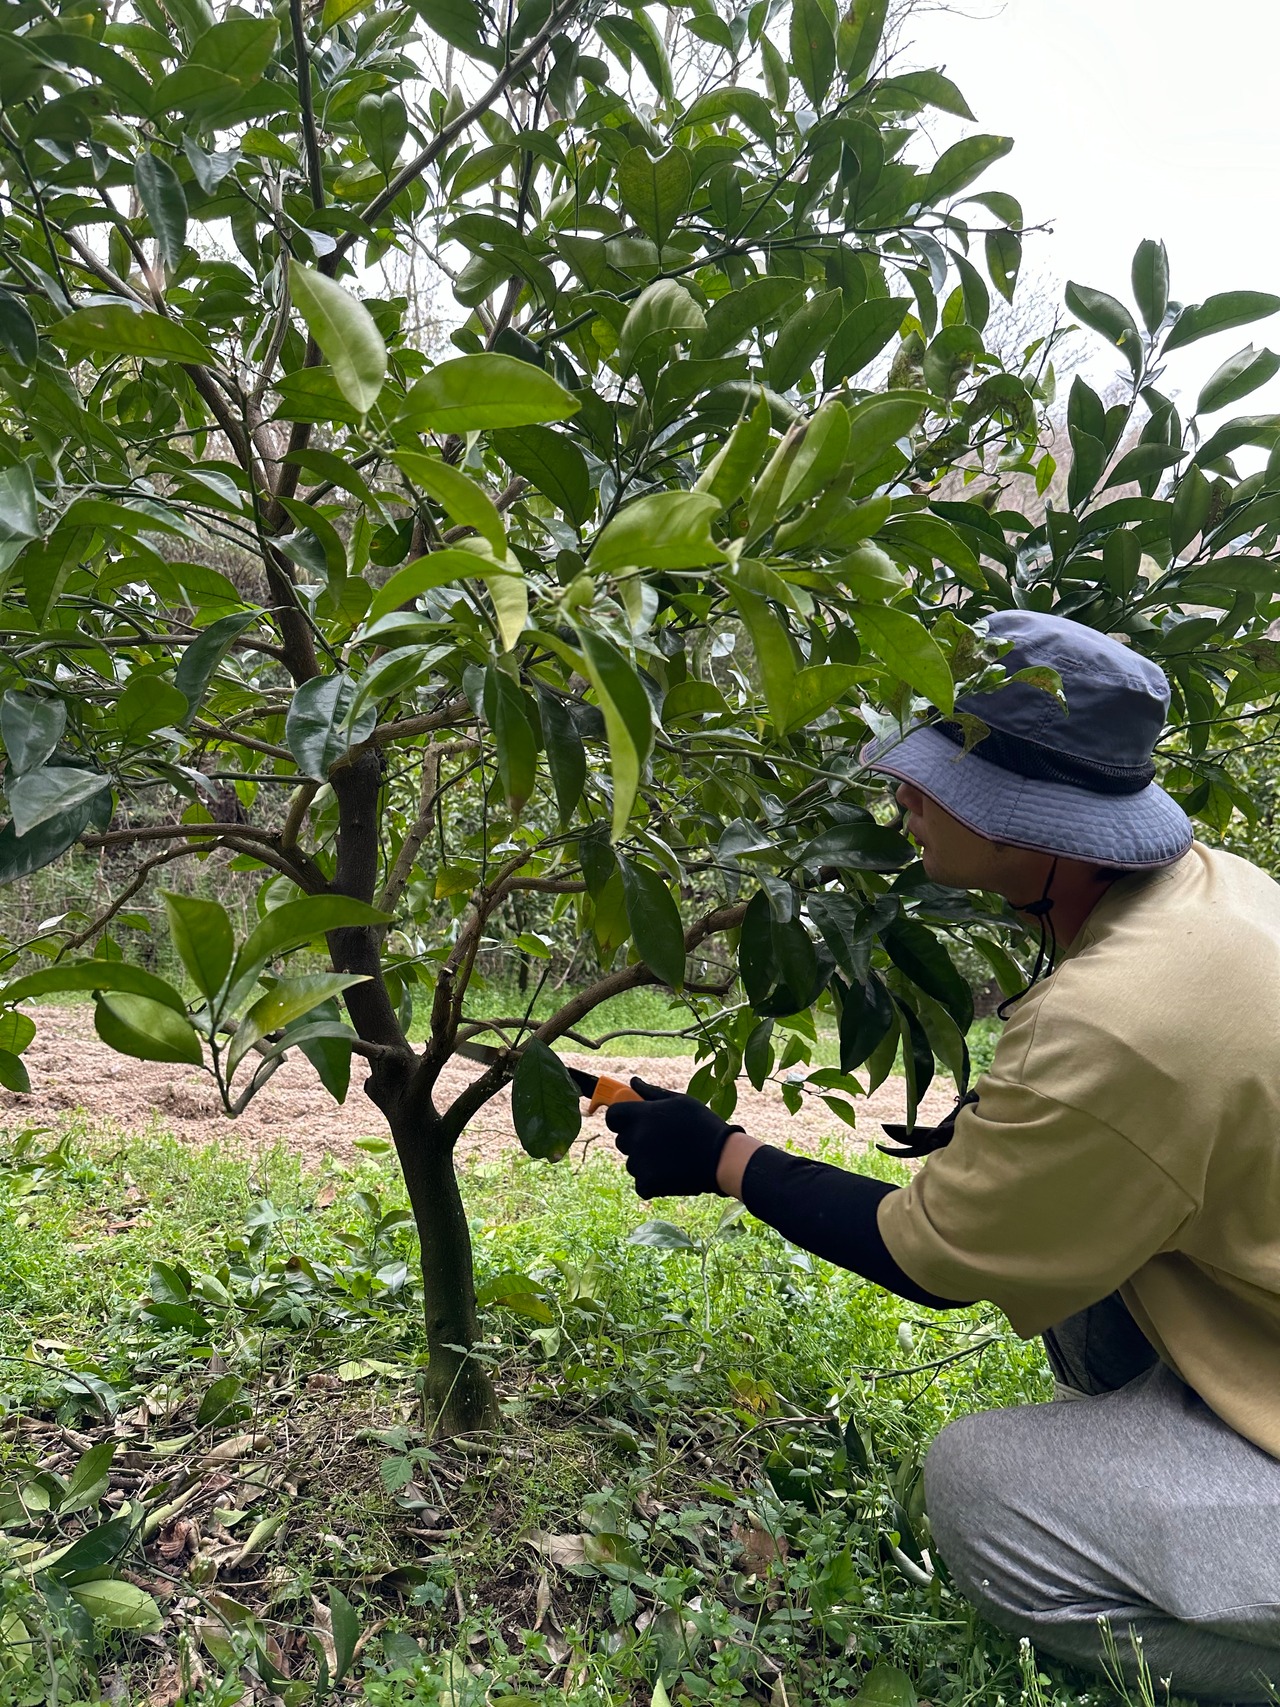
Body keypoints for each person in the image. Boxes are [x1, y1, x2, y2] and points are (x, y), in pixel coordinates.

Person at [607, 611, 1280, 1704]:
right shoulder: (1215, 888)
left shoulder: (1113, 1022)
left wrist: (720, 1155)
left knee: (977, 1491)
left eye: (935, 781)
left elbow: (927, 1262)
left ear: (1033, 822)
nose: (901, 798)